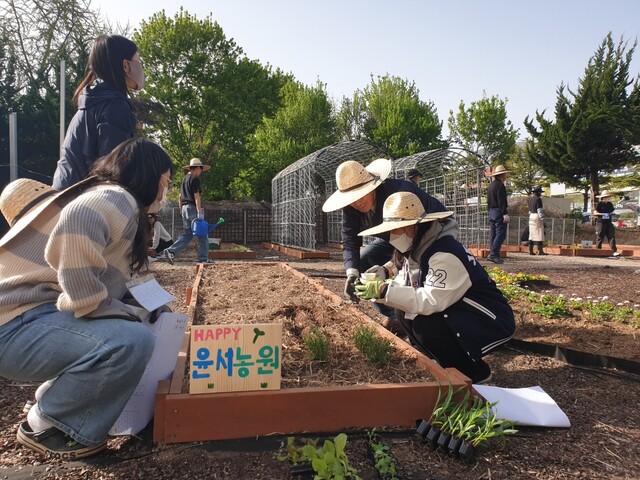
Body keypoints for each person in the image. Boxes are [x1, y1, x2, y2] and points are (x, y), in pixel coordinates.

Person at [0, 138, 174, 459]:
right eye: (166, 179)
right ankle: (50, 424)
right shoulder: (117, 197)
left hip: (22, 322)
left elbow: (132, 278)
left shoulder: (115, 201)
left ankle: (57, 400)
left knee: (126, 326)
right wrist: (95, 303)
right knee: (129, 341)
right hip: (15, 326)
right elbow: (78, 220)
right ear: (150, 174)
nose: (166, 189)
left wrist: (162, 310)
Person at [354, 192, 515, 384]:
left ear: (411, 228)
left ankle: (475, 373)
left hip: (488, 319)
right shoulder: (420, 247)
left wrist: (383, 291)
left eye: (395, 230)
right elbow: (407, 281)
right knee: (403, 311)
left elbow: (430, 300)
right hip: (464, 310)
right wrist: (383, 274)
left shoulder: (444, 254)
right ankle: (445, 363)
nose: (391, 236)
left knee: (426, 323)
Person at [321, 159, 453, 331]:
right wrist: (352, 273)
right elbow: (350, 240)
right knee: (364, 263)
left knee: (416, 272)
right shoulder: (351, 207)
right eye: (352, 199)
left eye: (361, 194)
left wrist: (395, 264)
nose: (357, 202)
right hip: (392, 237)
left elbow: (416, 231)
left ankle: (427, 321)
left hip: (428, 230)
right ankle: (396, 317)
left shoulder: (399, 193)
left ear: (373, 186)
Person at [52, 34, 144, 190]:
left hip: (63, 197)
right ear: (126, 66)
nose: (141, 67)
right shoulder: (115, 107)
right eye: (139, 61)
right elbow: (112, 174)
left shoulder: (90, 102)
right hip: (84, 204)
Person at [162, 158, 212, 264]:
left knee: (188, 234)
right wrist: (199, 211)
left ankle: (171, 250)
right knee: (202, 233)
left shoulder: (184, 179)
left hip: (184, 208)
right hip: (192, 208)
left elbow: (180, 196)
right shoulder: (195, 179)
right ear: (197, 168)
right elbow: (196, 196)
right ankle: (203, 258)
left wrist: (181, 210)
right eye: (201, 169)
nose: (201, 172)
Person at [486, 165, 510, 264]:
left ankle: (493, 253)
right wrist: (505, 213)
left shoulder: (491, 185)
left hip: (491, 211)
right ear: (502, 175)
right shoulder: (500, 185)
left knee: (493, 234)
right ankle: (494, 254)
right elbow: (501, 201)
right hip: (498, 211)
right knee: (501, 233)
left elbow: (488, 201)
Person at [593, 190, 619, 256]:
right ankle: (598, 250)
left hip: (608, 222)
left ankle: (614, 251)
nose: (608, 198)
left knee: (611, 236)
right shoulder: (599, 204)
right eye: (607, 197)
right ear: (603, 197)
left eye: (608, 197)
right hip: (601, 222)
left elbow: (612, 212)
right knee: (600, 236)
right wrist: (603, 214)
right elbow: (595, 213)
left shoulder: (610, 204)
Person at [528, 186, 547, 255]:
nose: (540, 194)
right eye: (540, 192)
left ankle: (530, 250)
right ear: (538, 192)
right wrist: (542, 219)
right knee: (539, 233)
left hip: (531, 216)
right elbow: (539, 210)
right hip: (537, 216)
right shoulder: (538, 199)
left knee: (531, 234)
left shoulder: (530, 199)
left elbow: (529, 210)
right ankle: (540, 251)